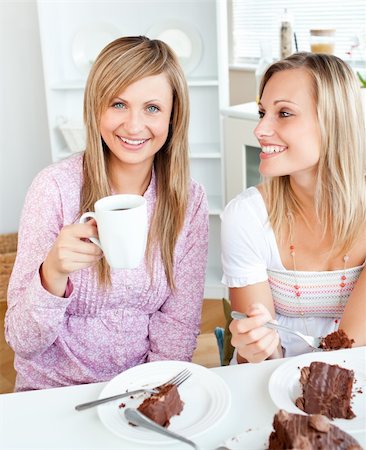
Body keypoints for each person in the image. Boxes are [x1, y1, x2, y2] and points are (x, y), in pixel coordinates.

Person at [5, 36, 209, 391]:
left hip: (139, 389)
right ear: (95, 108)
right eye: (118, 104)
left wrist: (154, 397)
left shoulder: (187, 200)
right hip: (52, 392)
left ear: (174, 116)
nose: (133, 126)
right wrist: (52, 271)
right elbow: (22, 341)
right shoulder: (53, 189)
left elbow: (178, 324)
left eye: (152, 108)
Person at [221, 52, 366, 363]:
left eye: (284, 113)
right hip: (270, 376)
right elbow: (254, 362)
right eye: (262, 113)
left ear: (333, 121)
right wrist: (257, 347)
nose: (260, 130)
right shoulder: (246, 216)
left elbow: (348, 350)